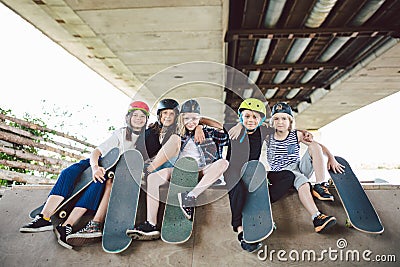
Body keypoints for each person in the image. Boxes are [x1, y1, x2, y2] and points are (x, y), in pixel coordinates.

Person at [65, 98, 223, 246]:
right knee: (115, 182)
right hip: (152, 168)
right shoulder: (150, 131)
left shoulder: (181, 131)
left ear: (177, 116)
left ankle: (150, 173)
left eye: (172, 114)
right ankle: (143, 224)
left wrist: (200, 123)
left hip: (171, 167)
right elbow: (136, 149)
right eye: (165, 113)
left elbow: (208, 125)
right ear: (159, 115)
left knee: (177, 142)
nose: (168, 116)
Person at [20, 101, 151, 249]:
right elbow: (96, 152)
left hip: (111, 171)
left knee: (98, 183)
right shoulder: (121, 133)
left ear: (147, 120)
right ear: (128, 117)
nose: (139, 119)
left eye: (142, 116)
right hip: (98, 163)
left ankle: (66, 226)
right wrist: (95, 167)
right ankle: (44, 217)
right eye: (135, 115)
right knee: (68, 172)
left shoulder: (146, 138)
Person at [127, 99, 229, 240]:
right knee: (153, 178)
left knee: (223, 163)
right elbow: (165, 135)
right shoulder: (178, 132)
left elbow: (226, 134)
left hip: (203, 170)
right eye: (186, 118)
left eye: (194, 118)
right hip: (181, 170)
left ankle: (190, 197)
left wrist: (201, 123)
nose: (190, 122)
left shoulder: (209, 132)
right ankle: (151, 224)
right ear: (181, 118)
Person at [225, 98, 297, 253]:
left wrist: (303, 134)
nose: (251, 120)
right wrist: (238, 124)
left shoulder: (263, 130)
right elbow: (207, 124)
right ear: (241, 117)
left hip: (254, 173)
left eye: (255, 117)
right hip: (233, 172)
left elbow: (283, 127)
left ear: (261, 119)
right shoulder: (232, 128)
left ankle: (259, 202)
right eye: (247, 116)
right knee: (237, 189)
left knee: (288, 177)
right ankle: (240, 229)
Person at [266, 102, 344, 233]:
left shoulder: (296, 135)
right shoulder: (268, 136)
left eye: (284, 118)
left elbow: (319, 147)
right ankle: (317, 217)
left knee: (314, 146)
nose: (280, 122)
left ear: (290, 121)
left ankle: (320, 185)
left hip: (299, 168)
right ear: (272, 121)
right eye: (277, 118)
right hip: (283, 174)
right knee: (302, 182)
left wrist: (331, 157)